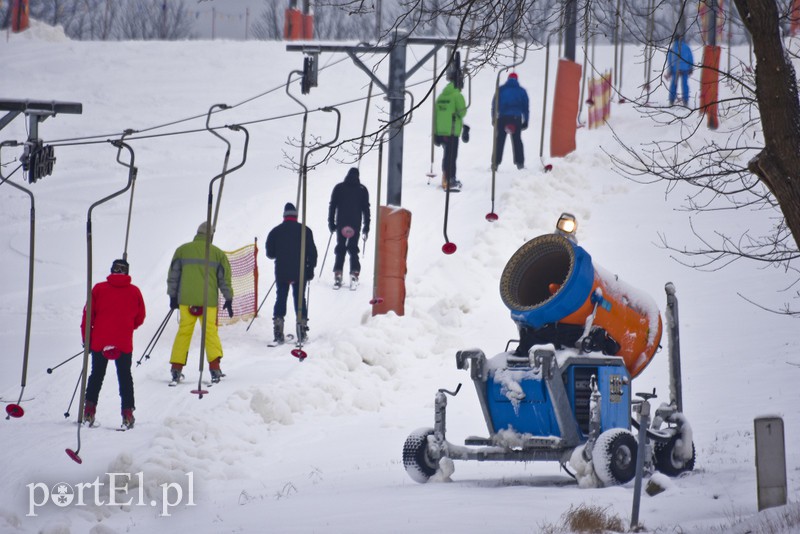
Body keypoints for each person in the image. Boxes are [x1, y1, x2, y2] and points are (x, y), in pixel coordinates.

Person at [81, 259, 146, 429]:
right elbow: (140, 316)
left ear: (112, 271)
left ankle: (88, 411)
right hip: (123, 341)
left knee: (96, 375)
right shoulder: (134, 291)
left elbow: (87, 316)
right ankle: (127, 414)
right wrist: (128, 327)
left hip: (100, 340)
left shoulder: (99, 289)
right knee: (124, 376)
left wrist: (86, 339)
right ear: (127, 272)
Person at [166, 221, 233, 384]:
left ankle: (176, 368)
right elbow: (224, 279)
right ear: (210, 236)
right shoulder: (217, 254)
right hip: (208, 301)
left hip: (186, 300)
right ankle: (215, 368)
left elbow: (173, 276)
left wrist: (173, 297)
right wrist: (228, 298)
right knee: (210, 332)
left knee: (184, 332)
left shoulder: (182, 250)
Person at [266, 203, 318, 344]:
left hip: (282, 271)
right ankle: (301, 329)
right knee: (299, 298)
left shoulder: (275, 231)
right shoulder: (305, 230)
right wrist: (310, 269)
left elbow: (270, 254)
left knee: (281, 297)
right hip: (300, 271)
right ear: (296, 216)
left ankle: (278, 329)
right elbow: (312, 253)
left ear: (284, 216)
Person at [327, 167, 371, 289]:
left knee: (340, 248)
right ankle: (354, 274)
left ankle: (338, 274)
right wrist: (366, 226)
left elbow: (332, 206)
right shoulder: (362, 190)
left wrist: (331, 223)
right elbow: (366, 210)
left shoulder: (339, 188)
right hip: (355, 225)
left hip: (341, 223)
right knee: (353, 249)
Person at [434, 75, 467, 190]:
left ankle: (445, 177)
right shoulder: (457, 95)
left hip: (440, 131)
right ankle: (450, 178)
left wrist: (436, 132)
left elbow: (436, 114)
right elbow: (462, 112)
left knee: (446, 155)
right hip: (452, 130)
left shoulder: (441, 96)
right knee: (452, 156)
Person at [491, 72, 530, 170]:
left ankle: (495, 164)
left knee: (499, 141)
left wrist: (493, 118)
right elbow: (526, 107)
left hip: (502, 118)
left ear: (508, 79)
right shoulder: (522, 91)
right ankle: (520, 163)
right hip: (516, 118)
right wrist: (526, 120)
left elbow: (494, 104)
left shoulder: (501, 89)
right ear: (517, 79)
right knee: (517, 141)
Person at [667, 35, 694, 106]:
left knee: (674, 84)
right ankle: (685, 100)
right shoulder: (686, 47)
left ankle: (671, 100)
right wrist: (691, 67)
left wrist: (669, 70)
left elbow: (669, 60)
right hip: (685, 68)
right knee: (685, 84)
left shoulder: (672, 48)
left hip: (675, 69)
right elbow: (690, 57)